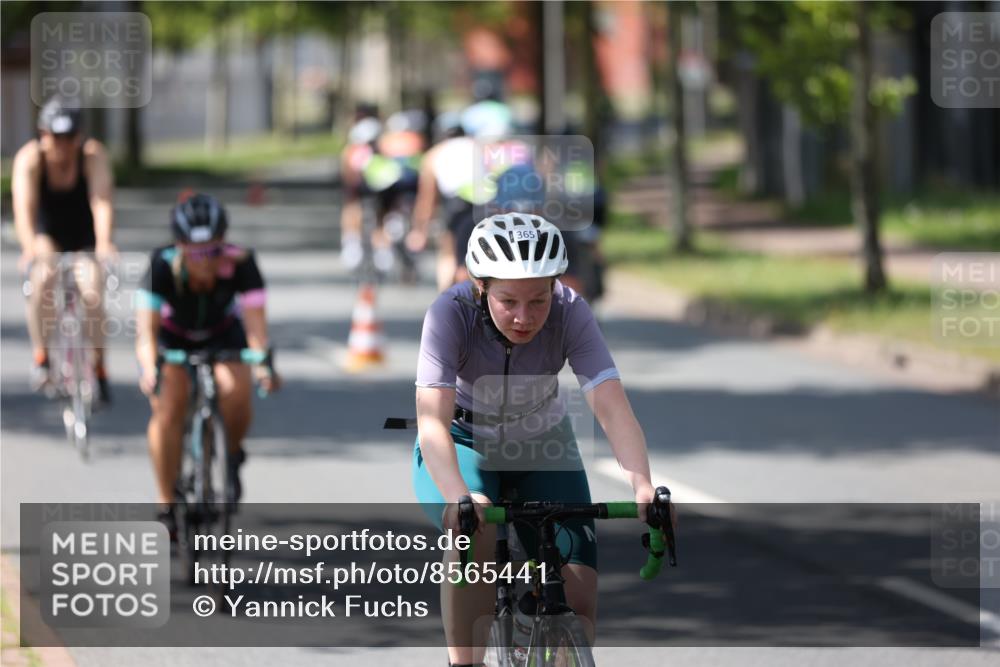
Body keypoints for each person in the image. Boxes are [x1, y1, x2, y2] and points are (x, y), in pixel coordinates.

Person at [411, 214, 668, 666]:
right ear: (480, 286)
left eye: (539, 299)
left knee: (580, 597)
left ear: (555, 287)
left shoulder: (571, 310)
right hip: (463, 442)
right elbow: (432, 421)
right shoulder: (449, 314)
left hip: (542, 442)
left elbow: (610, 406)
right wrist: (460, 494)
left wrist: (643, 485)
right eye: (508, 300)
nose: (524, 317)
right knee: (479, 529)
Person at [135, 194, 280, 532]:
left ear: (223, 245)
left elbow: (257, 327)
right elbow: (147, 332)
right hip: (173, 338)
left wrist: (263, 365)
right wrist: (149, 366)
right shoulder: (160, 264)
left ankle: (229, 455)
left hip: (222, 334)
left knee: (236, 389)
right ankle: (166, 503)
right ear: (180, 246)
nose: (203, 261)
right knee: (168, 408)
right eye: (195, 253)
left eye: (212, 251)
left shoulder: (242, 263)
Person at [12, 97, 116, 402]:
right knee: (43, 279)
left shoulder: (92, 155)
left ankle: (99, 367)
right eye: (56, 137)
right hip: (48, 234)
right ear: (43, 134)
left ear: (79, 136)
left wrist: (105, 242)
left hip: (84, 235)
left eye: (70, 137)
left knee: (93, 291)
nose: (63, 145)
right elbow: (24, 210)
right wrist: (30, 248)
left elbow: (101, 202)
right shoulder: (31, 160)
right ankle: (42, 356)